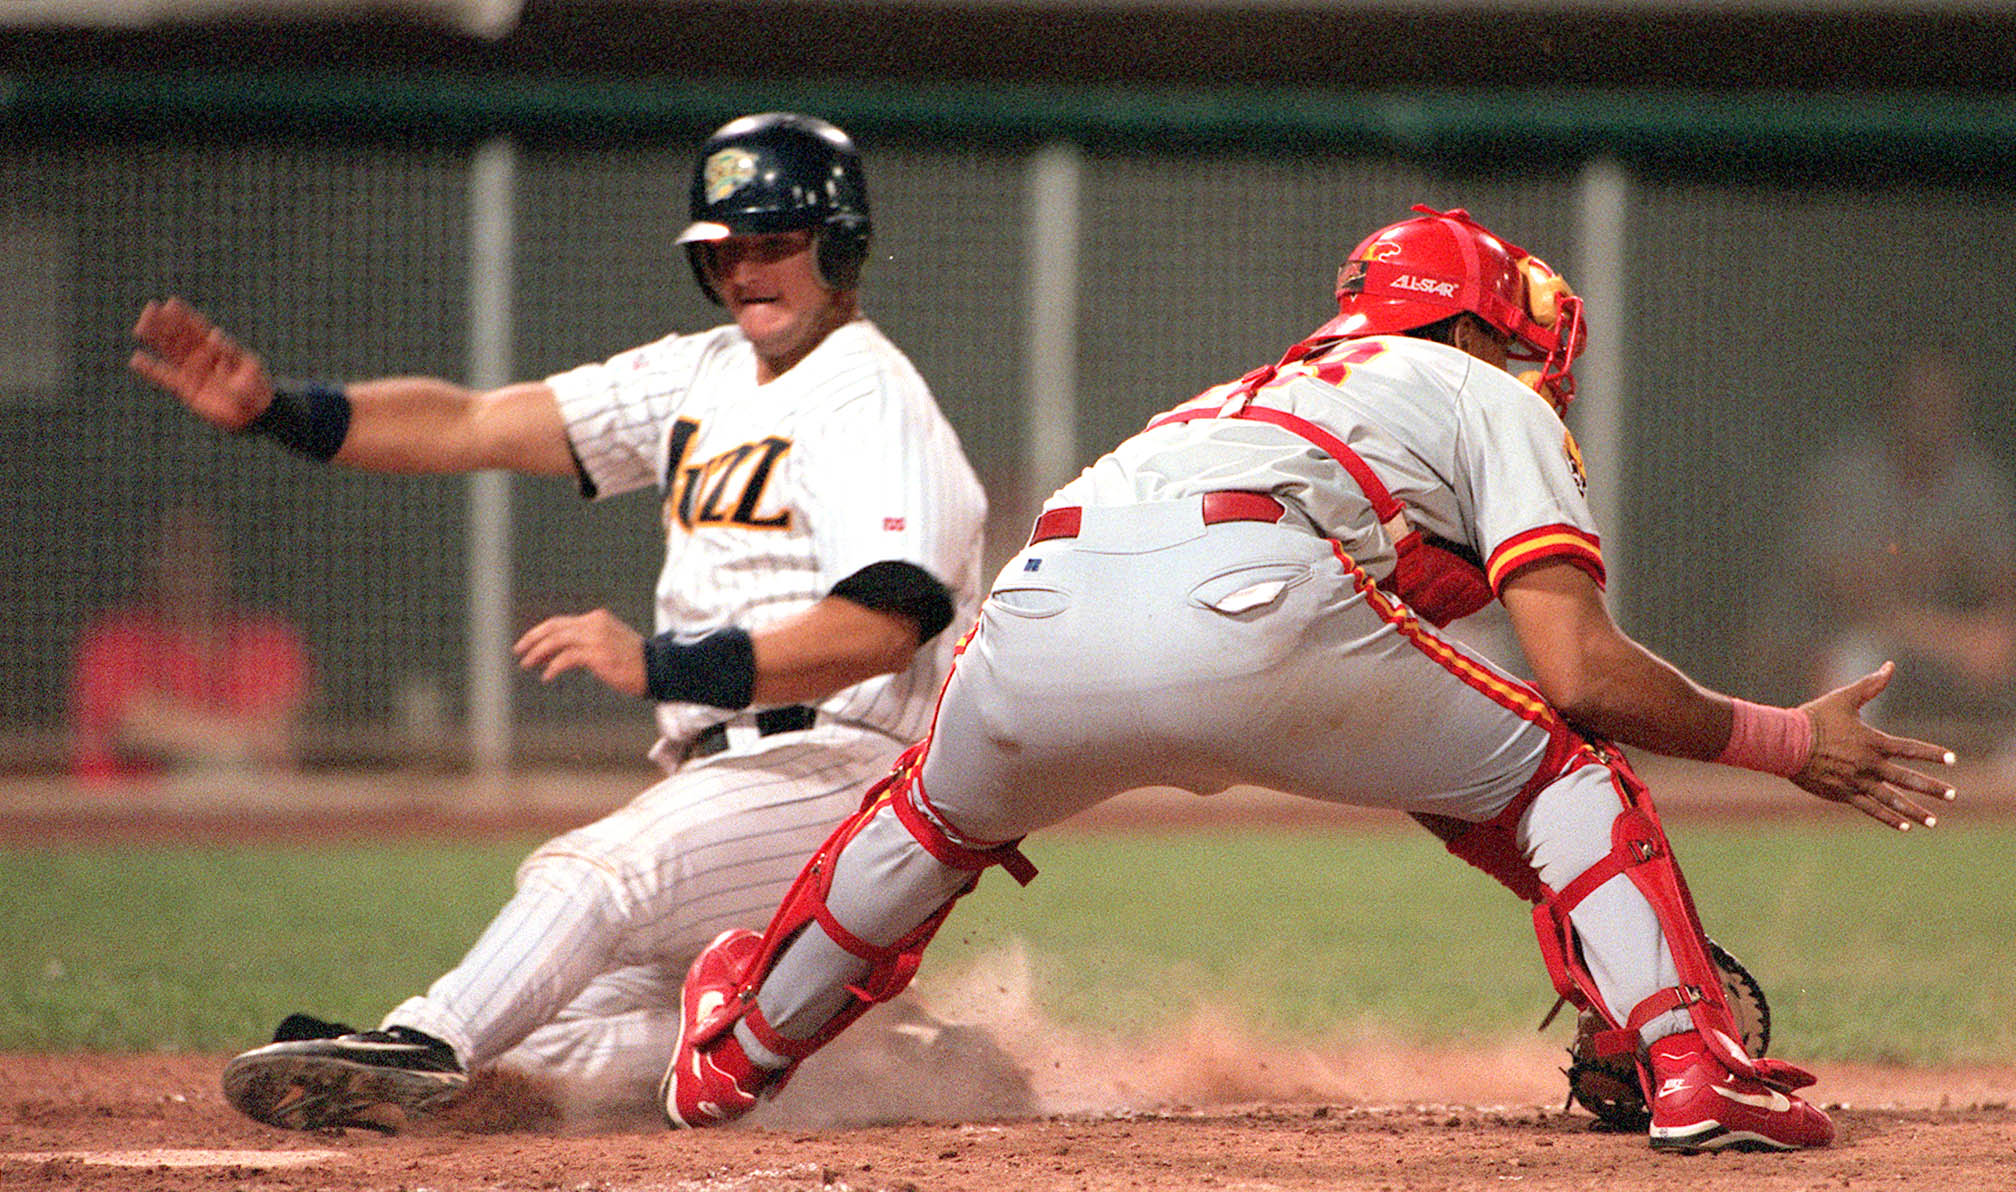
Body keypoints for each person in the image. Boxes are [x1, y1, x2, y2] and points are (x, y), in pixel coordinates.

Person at [658, 206, 1958, 1153]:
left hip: (1039, 609)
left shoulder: (1249, 396)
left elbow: (1417, 695)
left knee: (937, 819)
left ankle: (736, 1048)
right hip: (1254, 595)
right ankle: (1691, 1061)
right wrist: (1788, 742)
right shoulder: (1481, 394)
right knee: (1568, 773)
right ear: (1470, 325)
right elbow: (1582, 675)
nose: (1529, 368)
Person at [127, 112, 1013, 1132]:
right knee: (548, 1039)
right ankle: (857, 1049)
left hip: (849, 775)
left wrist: (664, 662)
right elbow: (474, 421)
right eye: (723, 248)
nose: (744, 270)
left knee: (599, 871)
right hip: (730, 778)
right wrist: (279, 409)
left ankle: (421, 1037)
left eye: (773, 243)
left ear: (839, 245)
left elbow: (883, 624)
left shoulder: (874, 398)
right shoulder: (706, 373)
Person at [1767, 346, 2016, 752]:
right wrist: (1957, 641)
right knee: (1853, 665)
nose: (1932, 419)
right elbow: (1858, 604)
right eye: (1921, 404)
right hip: (1835, 638)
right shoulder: (1847, 478)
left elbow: (2006, 585)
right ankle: (1837, 795)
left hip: (1936, 644)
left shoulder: (1975, 482)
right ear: (1893, 408)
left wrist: (1996, 634)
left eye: (1944, 406)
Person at [70, 502, 312, 788]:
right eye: (177, 551)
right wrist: (238, 737)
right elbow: (135, 727)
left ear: (225, 559)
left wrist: (176, 724)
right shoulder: (114, 641)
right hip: (133, 816)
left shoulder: (269, 641)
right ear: (153, 561)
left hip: (247, 811)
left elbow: (281, 732)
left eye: (200, 551)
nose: (189, 566)